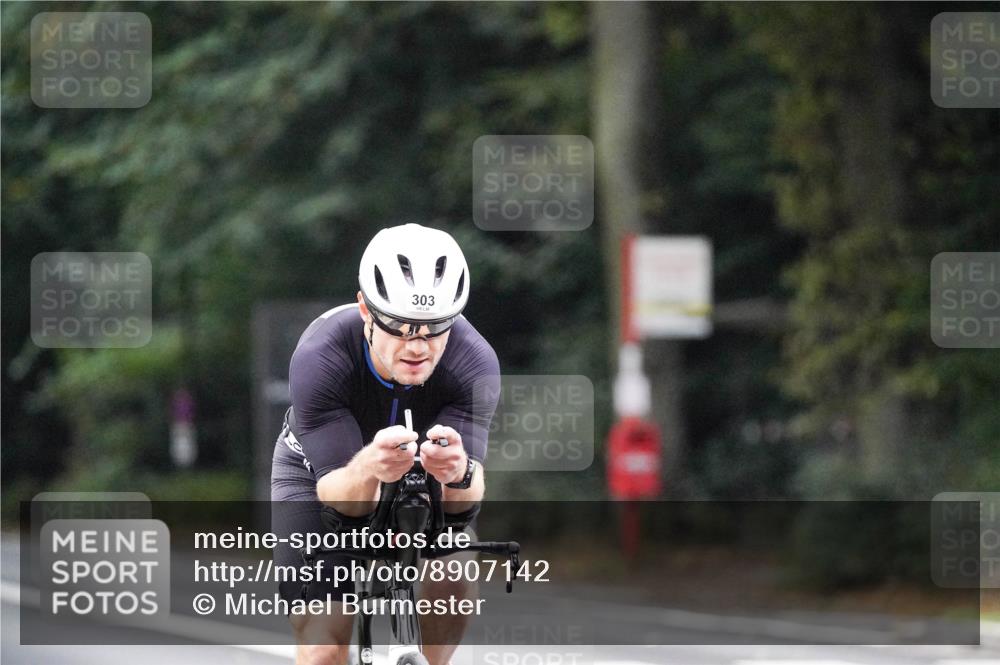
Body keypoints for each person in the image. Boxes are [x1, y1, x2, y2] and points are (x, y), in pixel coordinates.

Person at [271, 223, 500, 665]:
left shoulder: (475, 362)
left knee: (454, 571)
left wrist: (460, 471)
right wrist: (368, 468)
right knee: (322, 645)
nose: (418, 346)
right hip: (321, 474)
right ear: (365, 310)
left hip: (419, 471)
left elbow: (461, 509)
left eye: (435, 328)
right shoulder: (320, 356)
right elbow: (342, 504)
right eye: (399, 326)